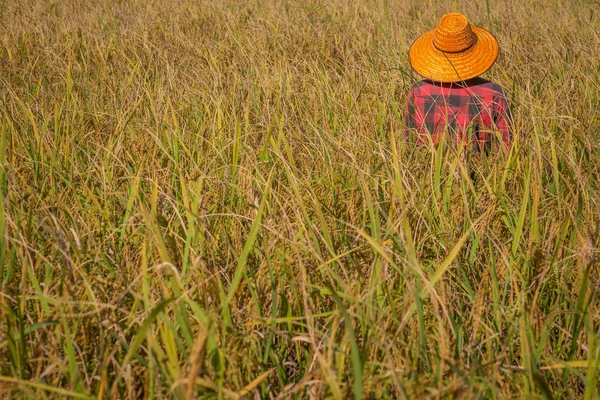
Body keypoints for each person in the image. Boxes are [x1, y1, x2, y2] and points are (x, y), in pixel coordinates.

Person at [404, 13, 512, 152]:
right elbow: (506, 148)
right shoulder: (493, 93)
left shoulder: (418, 91)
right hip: (481, 171)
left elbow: (410, 144)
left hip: (427, 171)